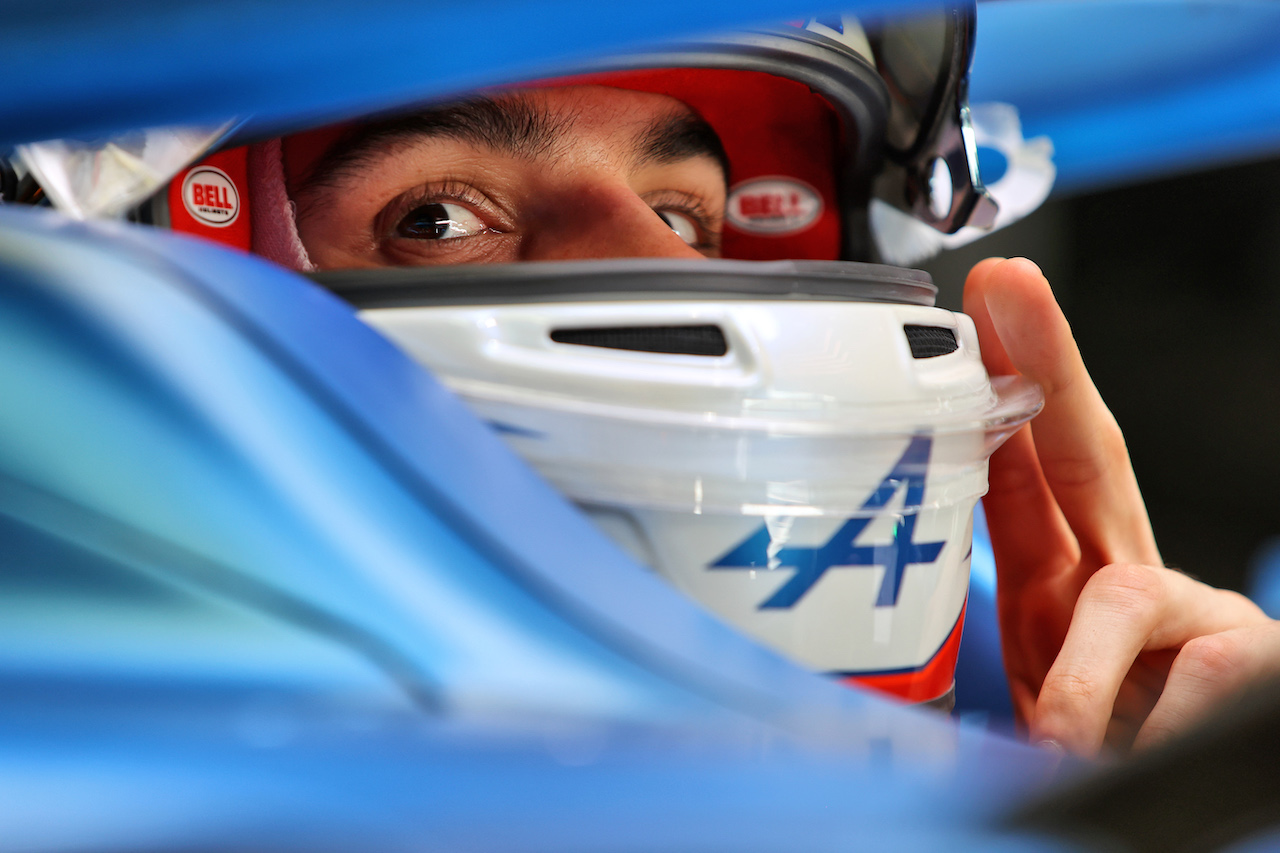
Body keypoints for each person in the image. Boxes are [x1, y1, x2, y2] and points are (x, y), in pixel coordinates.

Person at [147, 6, 1280, 758]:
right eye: (436, 217)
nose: (667, 265)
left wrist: (1165, 800)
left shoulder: (1059, 725)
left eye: (687, 211)